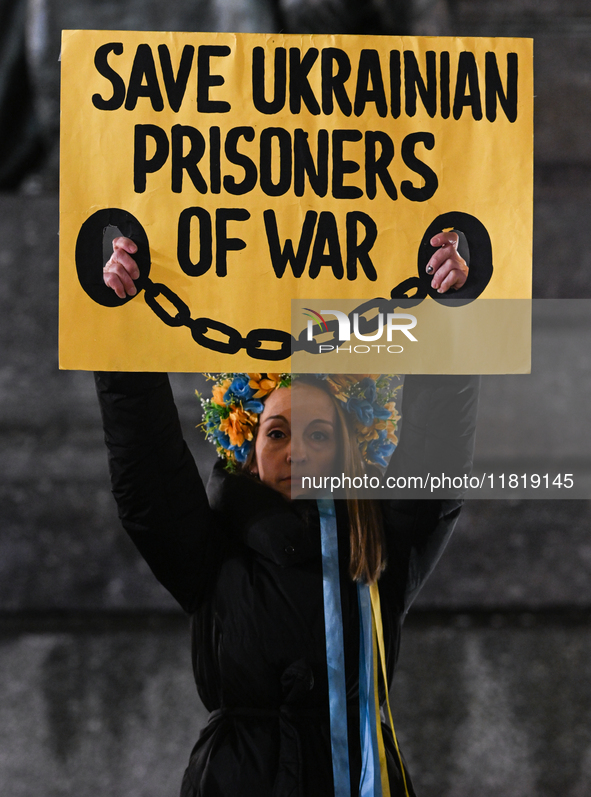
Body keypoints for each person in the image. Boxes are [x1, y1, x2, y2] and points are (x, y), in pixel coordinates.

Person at [95, 233, 478, 797]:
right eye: (277, 432)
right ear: (249, 453)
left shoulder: (379, 549)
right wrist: (121, 325)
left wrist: (451, 313)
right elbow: (147, 469)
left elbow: (438, 449)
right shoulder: (211, 551)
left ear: (348, 451)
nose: (297, 449)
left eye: (320, 433)